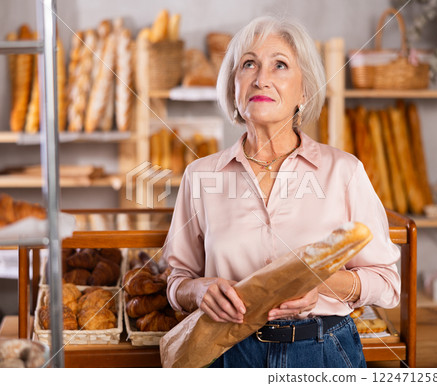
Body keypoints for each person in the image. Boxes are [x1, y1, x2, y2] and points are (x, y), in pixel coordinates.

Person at [162, 16, 400, 368]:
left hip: (322, 351)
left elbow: (387, 283)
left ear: (304, 91)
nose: (261, 78)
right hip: (229, 351)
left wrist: (321, 286)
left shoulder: (344, 171)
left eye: (280, 65)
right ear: (233, 87)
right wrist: (197, 291)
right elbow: (176, 278)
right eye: (249, 64)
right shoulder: (200, 176)